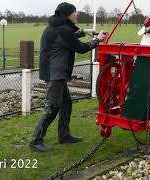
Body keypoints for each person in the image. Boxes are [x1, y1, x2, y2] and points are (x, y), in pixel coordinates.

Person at [30, 2, 105, 152]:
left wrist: (84, 30)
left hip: (55, 72)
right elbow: (81, 47)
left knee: (66, 103)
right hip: (54, 74)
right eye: (74, 12)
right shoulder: (62, 30)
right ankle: (35, 140)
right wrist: (98, 40)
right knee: (52, 106)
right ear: (67, 14)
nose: (77, 14)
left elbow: (69, 35)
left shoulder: (56, 26)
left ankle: (64, 135)